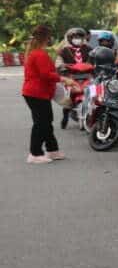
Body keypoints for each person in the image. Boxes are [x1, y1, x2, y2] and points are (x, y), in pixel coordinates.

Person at [22, 25, 74, 164]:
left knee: (46, 121)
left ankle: (52, 150)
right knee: (41, 123)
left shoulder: (37, 52)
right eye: (50, 36)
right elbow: (46, 74)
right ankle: (35, 153)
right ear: (46, 37)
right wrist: (64, 79)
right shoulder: (39, 54)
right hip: (36, 93)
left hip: (37, 93)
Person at [56, 27, 91, 129]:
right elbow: (58, 62)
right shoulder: (64, 51)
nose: (77, 39)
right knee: (68, 97)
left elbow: (95, 59)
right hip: (71, 77)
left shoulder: (89, 49)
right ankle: (65, 116)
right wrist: (61, 67)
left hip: (87, 76)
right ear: (70, 38)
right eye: (75, 37)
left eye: (79, 37)